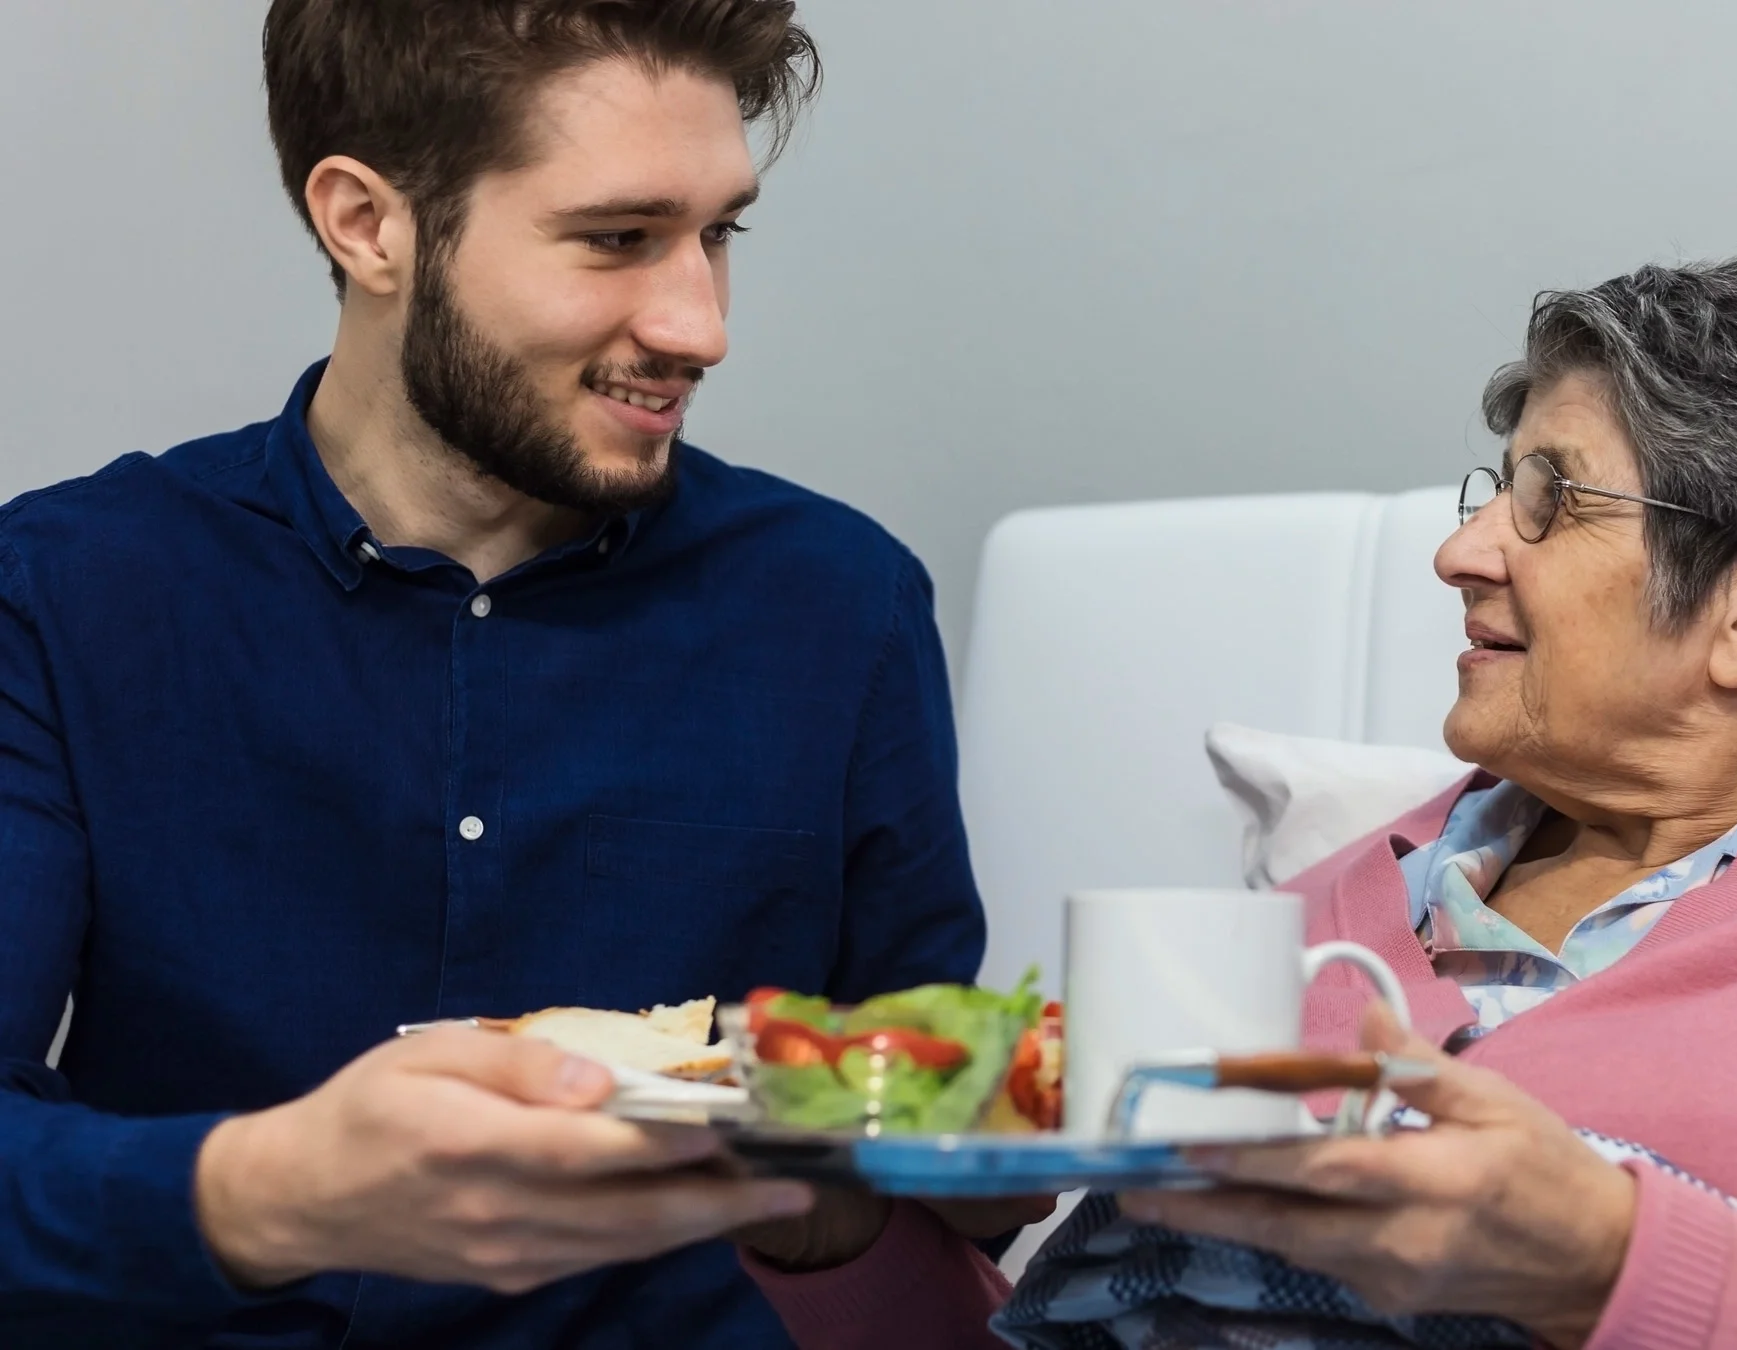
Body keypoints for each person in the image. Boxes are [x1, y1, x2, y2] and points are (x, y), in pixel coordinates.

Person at [743, 255, 1737, 1348]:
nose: (1464, 554)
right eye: (1497, 494)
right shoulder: (1333, 904)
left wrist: (1612, 1259)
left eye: (1552, 503)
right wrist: (833, 1245)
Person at [0, 3, 1023, 1346]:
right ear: (368, 224)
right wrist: (274, 1192)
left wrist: (879, 1180)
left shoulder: (841, 604)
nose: (698, 325)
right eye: (617, 239)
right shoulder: (64, 592)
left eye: (719, 234)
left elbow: (935, 1181)